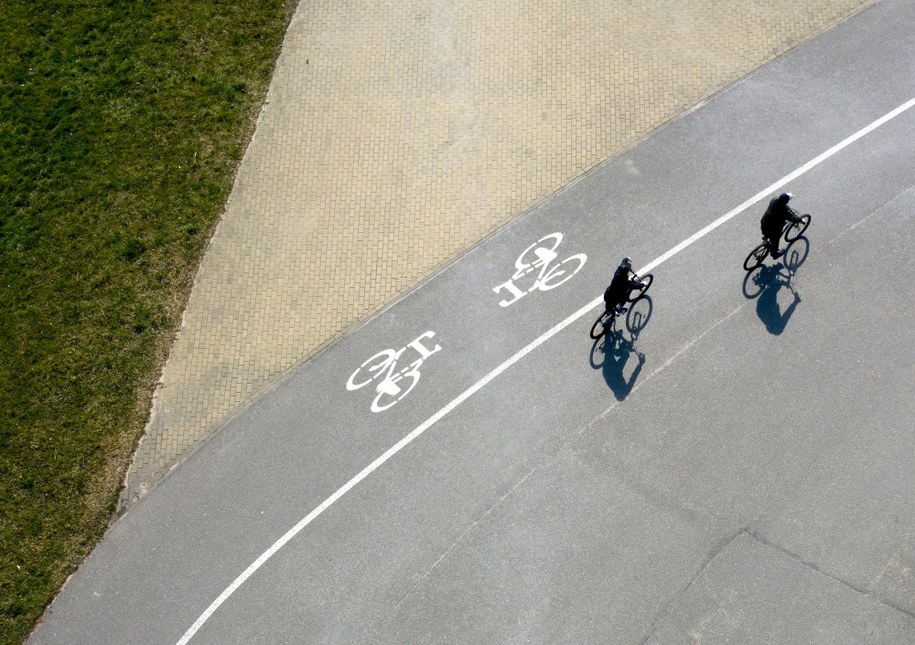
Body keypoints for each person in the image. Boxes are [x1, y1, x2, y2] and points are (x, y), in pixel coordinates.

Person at [761, 192, 804, 259]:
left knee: (767, 231)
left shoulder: (774, 199)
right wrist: (800, 220)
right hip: (772, 229)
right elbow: (792, 218)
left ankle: (766, 237)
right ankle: (775, 254)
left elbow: (781, 206)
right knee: (775, 241)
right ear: (786, 201)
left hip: (764, 221)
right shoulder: (784, 210)